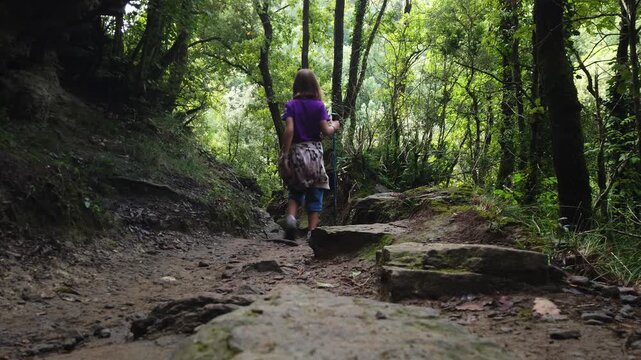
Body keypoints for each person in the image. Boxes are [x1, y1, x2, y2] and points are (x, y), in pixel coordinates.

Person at [279, 69, 340, 240]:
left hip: (297, 152)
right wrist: (335, 125)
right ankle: (312, 232)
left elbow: (289, 130)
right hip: (314, 153)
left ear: (296, 85)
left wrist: (285, 154)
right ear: (315, 85)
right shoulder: (319, 106)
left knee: (295, 189)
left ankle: (291, 218)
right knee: (316, 190)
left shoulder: (291, 105)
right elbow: (326, 131)